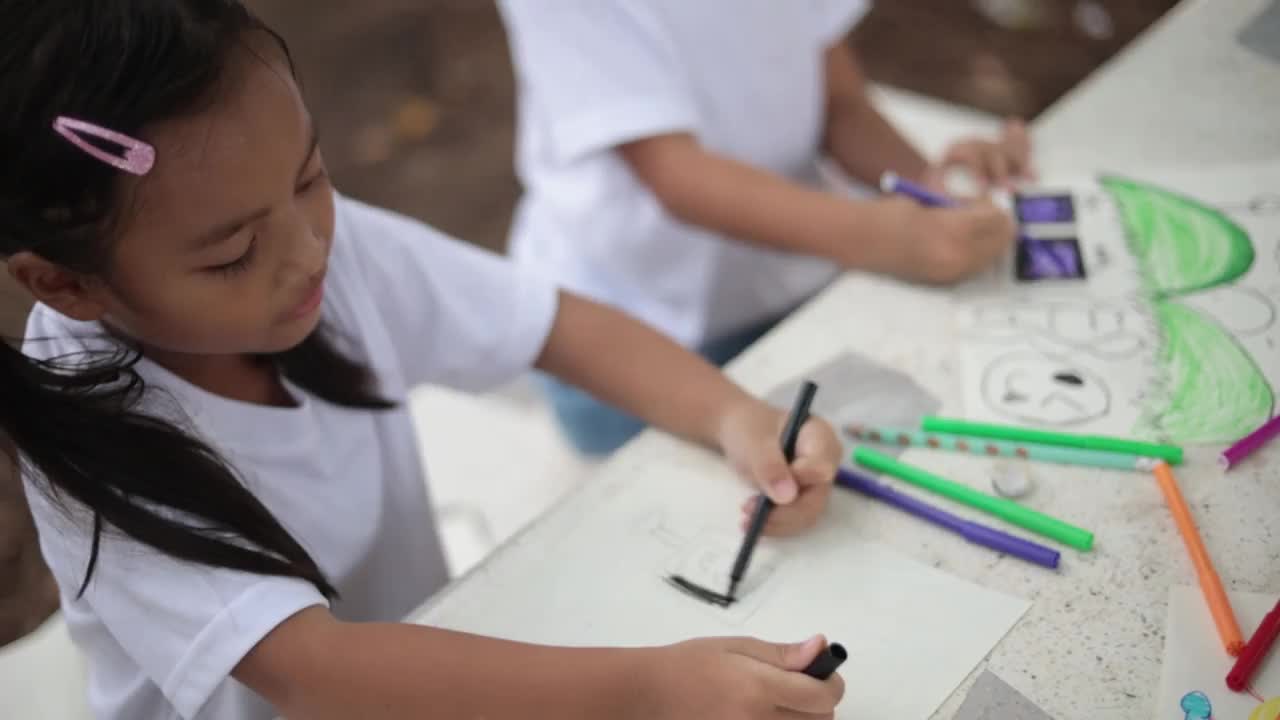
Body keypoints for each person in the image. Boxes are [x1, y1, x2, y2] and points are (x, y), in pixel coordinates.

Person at [0, 2, 845, 718]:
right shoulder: (99, 448)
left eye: (309, 177)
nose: (306, 254)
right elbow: (313, 671)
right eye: (231, 256)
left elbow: (552, 326)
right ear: (66, 283)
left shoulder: (316, 248)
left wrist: (739, 417)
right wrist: (648, 687)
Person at [498, 0, 1034, 455]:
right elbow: (681, 180)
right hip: (626, 340)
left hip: (786, 292)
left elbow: (841, 105)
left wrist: (932, 188)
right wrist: (885, 237)